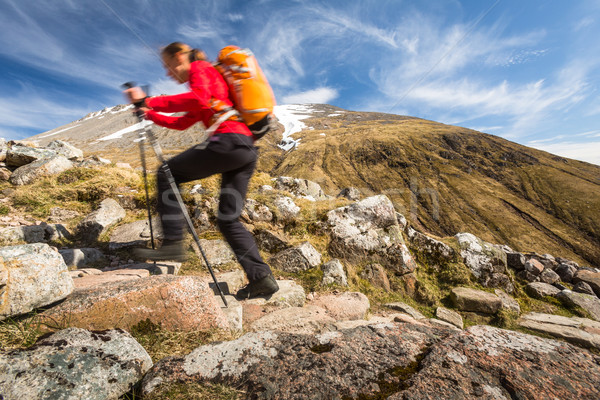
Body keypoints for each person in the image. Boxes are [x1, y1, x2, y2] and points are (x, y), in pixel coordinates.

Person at [123, 42, 279, 300]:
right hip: (244, 150)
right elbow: (184, 122)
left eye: (167, 65)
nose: (167, 73)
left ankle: (172, 243)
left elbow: (198, 98)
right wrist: (149, 113)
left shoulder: (200, 68)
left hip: (228, 142)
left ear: (180, 56)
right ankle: (262, 278)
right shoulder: (211, 81)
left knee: (166, 173)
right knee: (229, 219)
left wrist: (147, 100)